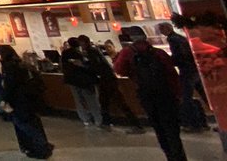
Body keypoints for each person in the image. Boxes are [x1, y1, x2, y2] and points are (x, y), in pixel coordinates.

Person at [115, 26, 186, 161]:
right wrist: (178, 93)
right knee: (172, 128)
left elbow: (119, 70)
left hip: (146, 95)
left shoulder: (127, 53)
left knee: (158, 128)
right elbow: (171, 74)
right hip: (166, 94)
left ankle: (169, 155)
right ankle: (178, 156)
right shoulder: (158, 53)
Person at [79, 36, 143, 133]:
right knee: (106, 101)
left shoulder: (91, 52)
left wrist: (83, 65)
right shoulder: (94, 51)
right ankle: (107, 123)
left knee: (116, 101)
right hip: (107, 78)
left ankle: (135, 125)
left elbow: (95, 66)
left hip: (106, 79)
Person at [0, 45, 53, 159]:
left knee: (24, 124)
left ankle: (39, 147)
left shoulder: (10, 66)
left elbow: (10, 85)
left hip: (19, 100)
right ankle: (38, 146)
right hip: (30, 98)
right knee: (32, 122)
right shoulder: (22, 64)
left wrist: (4, 99)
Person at [157, 22, 209, 132]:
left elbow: (179, 55)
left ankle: (194, 124)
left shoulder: (173, 39)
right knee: (204, 95)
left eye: (161, 29)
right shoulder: (180, 37)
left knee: (186, 98)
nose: (160, 32)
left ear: (166, 29)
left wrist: (170, 61)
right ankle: (210, 121)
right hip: (194, 69)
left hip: (186, 71)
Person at [60, 37, 100, 126]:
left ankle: (85, 119)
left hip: (72, 80)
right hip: (86, 81)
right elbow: (90, 66)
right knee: (92, 101)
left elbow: (63, 67)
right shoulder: (82, 53)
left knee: (79, 101)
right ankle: (98, 119)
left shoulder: (65, 53)